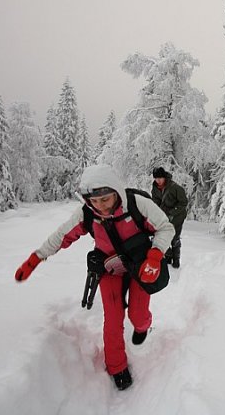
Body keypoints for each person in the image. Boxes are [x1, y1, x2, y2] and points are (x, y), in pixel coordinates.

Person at [14, 164, 175, 391]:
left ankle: (142, 327)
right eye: (94, 201)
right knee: (112, 318)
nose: (100, 206)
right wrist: (35, 258)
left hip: (140, 265)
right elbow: (61, 236)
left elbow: (165, 228)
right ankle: (116, 366)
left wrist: (155, 255)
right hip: (110, 270)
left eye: (105, 199)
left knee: (138, 315)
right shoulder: (87, 214)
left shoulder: (138, 205)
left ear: (116, 192)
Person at [151, 167, 188, 268]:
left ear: (164, 177)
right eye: (156, 178)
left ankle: (176, 259)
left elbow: (183, 203)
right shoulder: (155, 188)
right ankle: (168, 255)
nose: (158, 180)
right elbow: (155, 202)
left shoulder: (175, 188)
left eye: (160, 178)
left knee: (175, 238)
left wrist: (172, 212)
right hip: (164, 217)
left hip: (177, 216)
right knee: (162, 237)